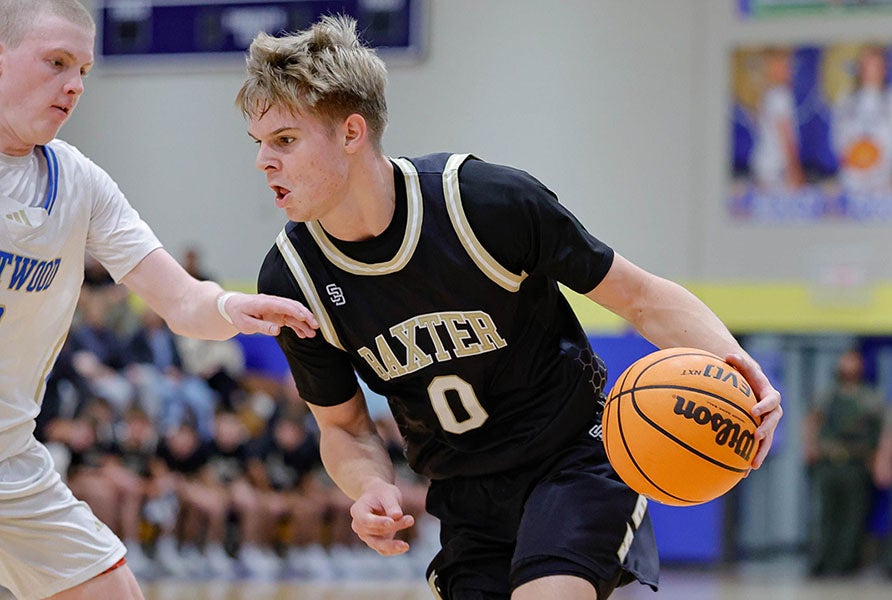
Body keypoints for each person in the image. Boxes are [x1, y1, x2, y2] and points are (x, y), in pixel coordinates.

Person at [238, 15, 783, 600]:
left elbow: (641, 297)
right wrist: (369, 483)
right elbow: (343, 426)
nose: (264, 161)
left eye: (286, 140)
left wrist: (734, 363)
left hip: (574, 457)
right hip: (465, 493)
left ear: (351, 133)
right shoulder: (292, 280)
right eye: (260, 144)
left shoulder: (484, 204)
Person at [0, 1, 318, 598]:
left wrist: (229, 309)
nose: (72, 86)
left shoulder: (81, 184)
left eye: (84, 72)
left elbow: (181, 300)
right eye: (56, 63)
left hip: (10, 458)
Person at [803, 348, 885, 576]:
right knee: (826, 515)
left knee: (852, 517)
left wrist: (879, 461)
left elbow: (881, 432)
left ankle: (845, 564)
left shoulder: (870, 398)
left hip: (856, 464)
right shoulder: (827, 395)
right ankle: (823, 563)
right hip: (828, 463)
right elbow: (812, 421)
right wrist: (809, 448)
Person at [831, 45, 892, 195]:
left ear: (883, 69)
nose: (870, 72)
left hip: (883, 185)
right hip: (851, 183)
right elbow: (837, 140)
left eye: (875, 66)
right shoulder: (846, 99)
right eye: (866, 66)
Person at [751, 47, 804, 191]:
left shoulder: (767, 94)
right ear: (774, 69)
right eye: (786, 66)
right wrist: (795, 170)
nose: (790, 70)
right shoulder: (781, 95)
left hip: (763, 165)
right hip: (777, 169)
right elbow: (785, 135)